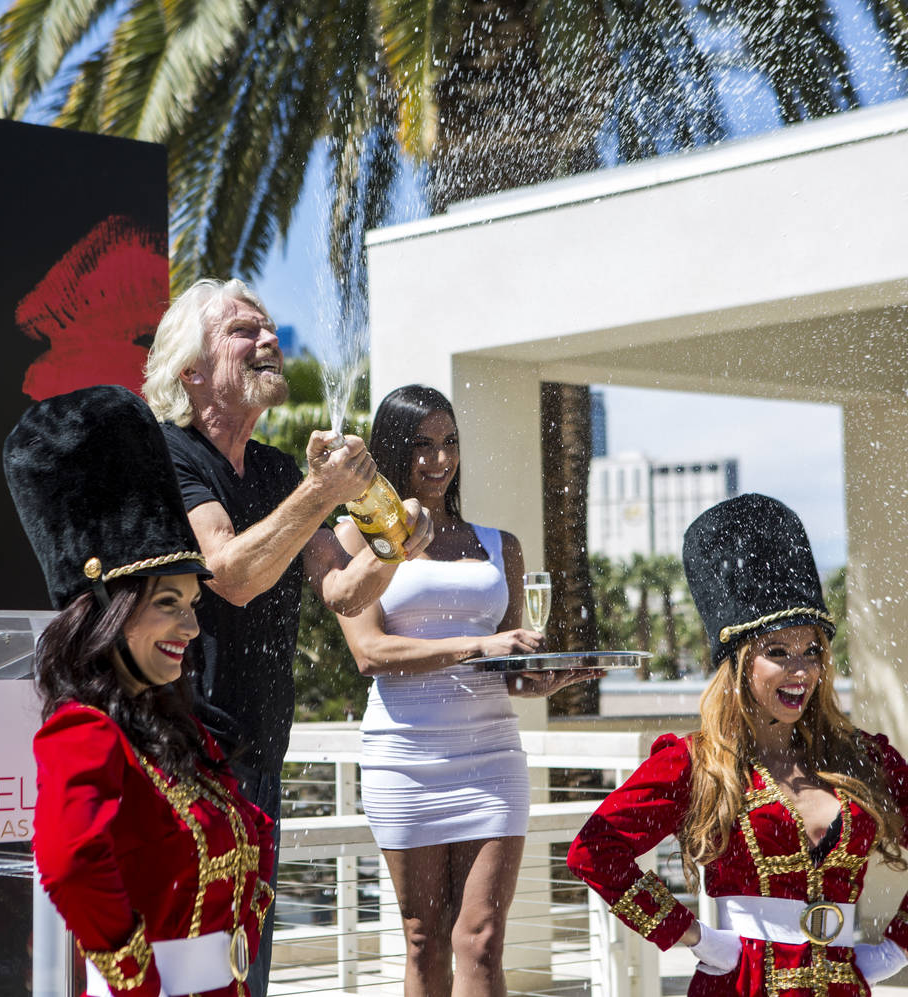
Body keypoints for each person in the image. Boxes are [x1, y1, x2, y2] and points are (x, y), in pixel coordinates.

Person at [142, 280, 433, 997]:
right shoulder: (169, 455)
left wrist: (399, 544)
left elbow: (340, 590)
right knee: (185, 970)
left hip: (260, 757)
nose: (268, 338)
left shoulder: (276, 470)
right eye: (244, 330)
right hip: (185, 761)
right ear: (192, 370)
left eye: (269, 326)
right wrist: (321, 491)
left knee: (247, 971)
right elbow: (228, 573)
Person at [567, 493, 908, 996]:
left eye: (812, 651)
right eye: (778, 652)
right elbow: (593, 852)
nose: (801, 670)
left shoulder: (864, 757)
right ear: (741, 662)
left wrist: (894, 950)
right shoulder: (696, 763)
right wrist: (697, 939)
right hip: (740, 985)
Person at [4, 385, 275, 997]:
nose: (191, 627)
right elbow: (71, 863)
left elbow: (251, 826)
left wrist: (244, 928)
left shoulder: (180, 730)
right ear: (112, 614)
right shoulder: (83, 730)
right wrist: (137, 980)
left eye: (193, 604)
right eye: (169, 604)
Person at [332, 384, 600, 997]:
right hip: (406, 757)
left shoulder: (498, 544)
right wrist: (478, 647)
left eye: (450, 442)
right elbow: (370, 652)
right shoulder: (354, 539)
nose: (439, 459)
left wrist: (544, 677)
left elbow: (509, 664)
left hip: (492, 757)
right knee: (425, 938)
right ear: (392, 452)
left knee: (480, 939)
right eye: (422, 445)